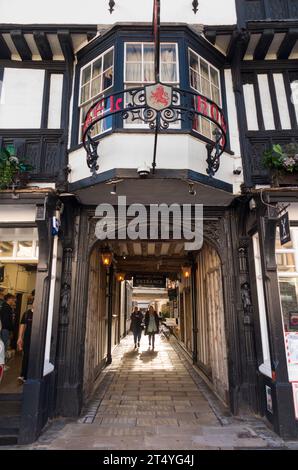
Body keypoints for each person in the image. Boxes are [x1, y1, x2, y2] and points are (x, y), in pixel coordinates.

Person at [17, 302, 34, 384]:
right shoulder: (27, 313)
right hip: (27, 338)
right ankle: (23, 375)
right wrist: (20, 337)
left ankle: (32, 374)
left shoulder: (41, 313)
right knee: (26, 356)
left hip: (37, 339)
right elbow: (22, 325)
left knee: (35, 356)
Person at [0, 293, 15, 368]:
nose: (13, 300)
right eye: (12, 299)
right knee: (4, 347)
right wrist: (10, 331)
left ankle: (3, 364)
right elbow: (6, 321)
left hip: (5, 329)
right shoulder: (6, 307)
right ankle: (2, 365)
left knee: (5, 346)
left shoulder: (6, 307)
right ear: (9, 299)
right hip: (5, 329)